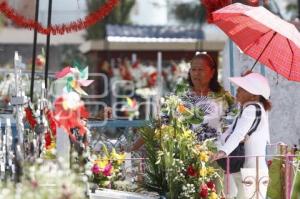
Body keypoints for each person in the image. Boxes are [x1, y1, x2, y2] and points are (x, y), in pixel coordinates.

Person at [131, 52, 235, 150]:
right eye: (193, 70)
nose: (196, 74)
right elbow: (158, 123)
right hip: (183, 159)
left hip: (215, 159)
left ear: (212, 72)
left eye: (201, 70)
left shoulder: (224, 98)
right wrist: (132, 148)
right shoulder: (178, 95)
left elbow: (236, 127)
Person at [212, 72, 272, 199]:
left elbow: (238, 134)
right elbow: (229, 133)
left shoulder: (253, 109)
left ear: (253, 95)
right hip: (247, 168)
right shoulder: (246, 109)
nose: (237, 90)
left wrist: (223, 151)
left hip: (253, 169)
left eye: (243, 88)